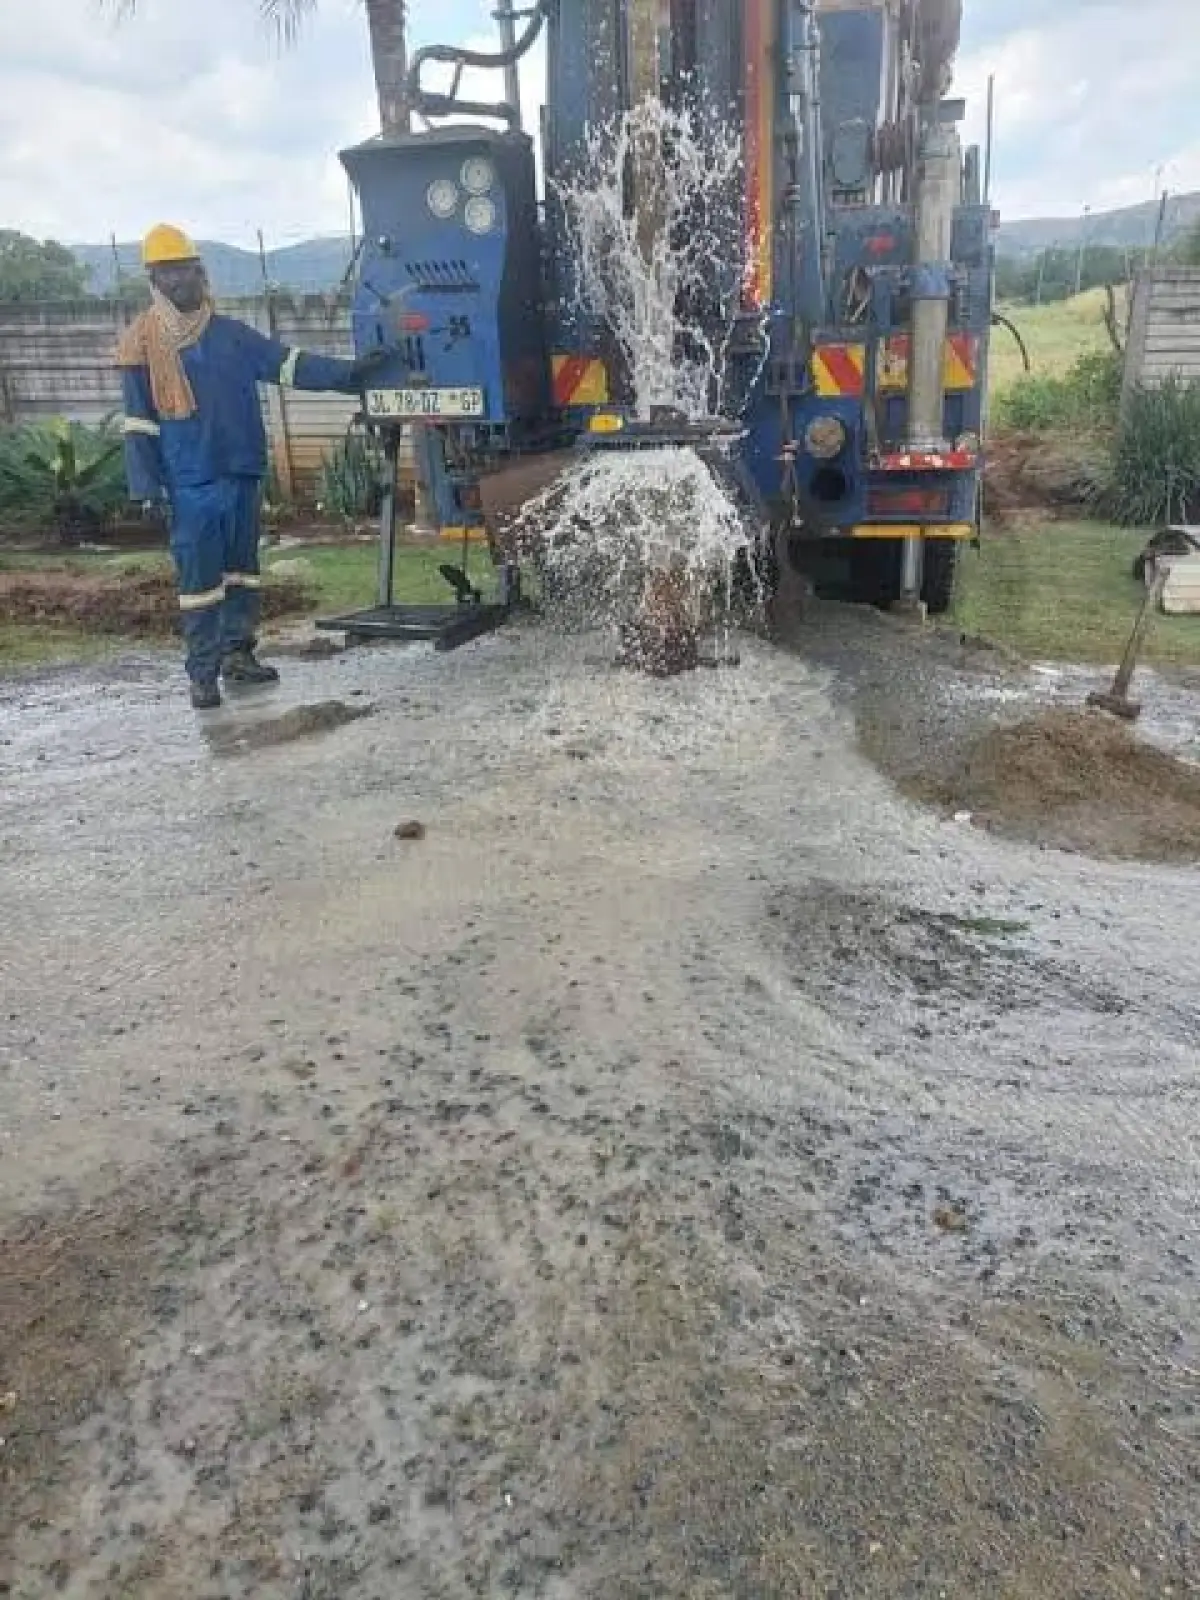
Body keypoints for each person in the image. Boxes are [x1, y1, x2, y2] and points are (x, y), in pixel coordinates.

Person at [117, 224, 386, 709]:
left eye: (187, 270)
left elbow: (288, 365)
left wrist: (351, 374)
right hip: (189, 482)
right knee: (199, 584)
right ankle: (202, 675)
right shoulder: (140, 345)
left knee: (243, 572)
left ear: (201, 273)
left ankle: (238, 657)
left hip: (240, 471)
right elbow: (138, 423)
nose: (181, 281)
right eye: (169, 272)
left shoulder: (231, 336)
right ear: (154, 280)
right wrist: (147, 489)